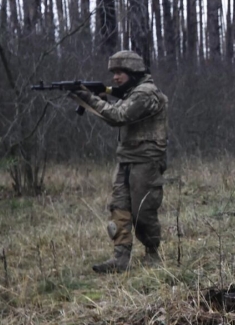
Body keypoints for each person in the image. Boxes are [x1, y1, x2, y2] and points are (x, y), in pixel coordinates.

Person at [71, 50, 169, 273]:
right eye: (113, 73)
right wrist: (97, 97)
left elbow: (118, 117)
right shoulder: (131, 92)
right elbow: (117, 113)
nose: (115, 77)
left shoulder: (145, 94)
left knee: (143, 212)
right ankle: (120, 258)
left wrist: (88, 98)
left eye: (120, 72)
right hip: (126, 158)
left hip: (146, 161)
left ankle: (152, 254)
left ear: (133, 72)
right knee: (120, 208)